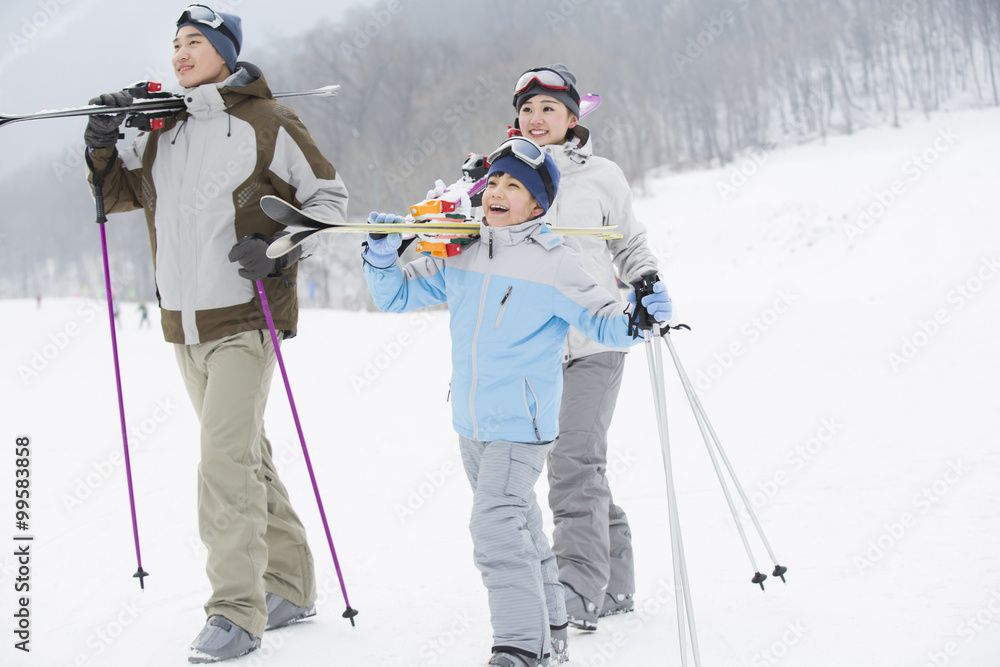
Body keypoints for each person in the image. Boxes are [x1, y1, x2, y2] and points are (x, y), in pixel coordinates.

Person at [83, 5, 349, 663]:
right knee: (245, 453)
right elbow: (116, 196)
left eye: (195, 41)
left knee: (222, 460)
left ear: (227, 53)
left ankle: (236, 610)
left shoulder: (267, 122)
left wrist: (280, 250)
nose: (180, 52)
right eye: (174, 42)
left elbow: (330, 201)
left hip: (245, 315)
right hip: (184, 322)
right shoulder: (160, 129)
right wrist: (101, 139)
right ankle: (289, 585)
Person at [362, 137, 671, 667]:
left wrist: (638, 317)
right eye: (495, 183)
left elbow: (603, 321)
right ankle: (551, 633)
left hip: (522, 426)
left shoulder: (555, 262)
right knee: (523, 527)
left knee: (495, 530)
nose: (499, 193)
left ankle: (520, 647)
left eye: (516, 186)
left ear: (538, 203)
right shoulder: (460, 254)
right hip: (472, 422)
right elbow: (394, 295)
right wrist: (382, 253)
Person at [510, 64, 661, 631]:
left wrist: (646, 281)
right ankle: (614, 582)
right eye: (527, 109)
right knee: (576, 464)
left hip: (597, 338)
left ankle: (576, 585)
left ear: (573, 118)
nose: (536, 118)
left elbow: (629, 242)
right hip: (533, 344)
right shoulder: (500, 179)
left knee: (573, 461)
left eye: (549, 108)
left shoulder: (602, 176)